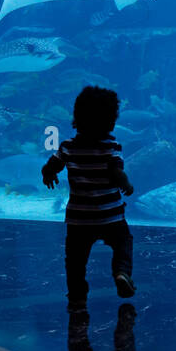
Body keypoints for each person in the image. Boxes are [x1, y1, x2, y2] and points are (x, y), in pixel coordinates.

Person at [42, 86, 136, 311]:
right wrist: (126, 183)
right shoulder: (111, 146)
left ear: (77, 117)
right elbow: (116, 172)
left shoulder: (67, 147)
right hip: (110, 215)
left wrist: (49, 175)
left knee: (75, 260)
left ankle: (77, 296)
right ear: (112, 121)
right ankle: (121, 273)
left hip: (79, 219)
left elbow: (51, 166)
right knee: (123, 242)